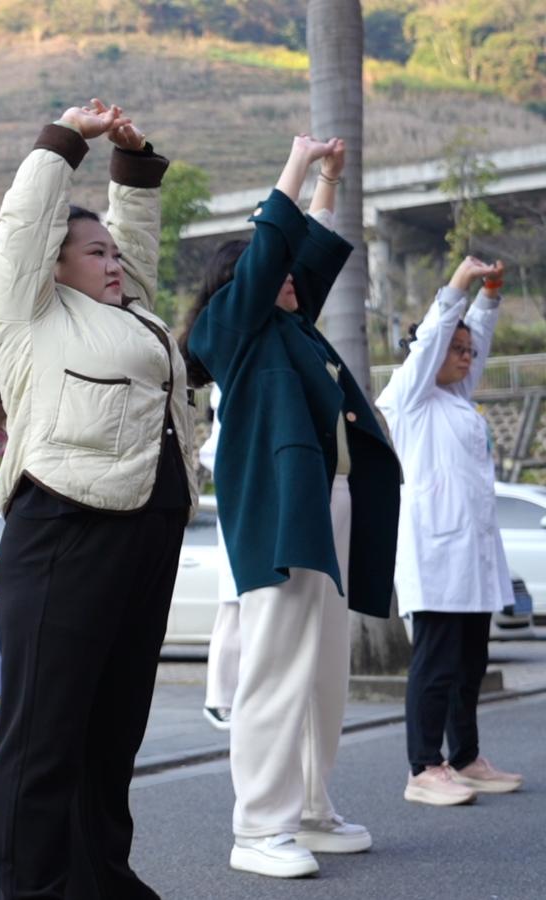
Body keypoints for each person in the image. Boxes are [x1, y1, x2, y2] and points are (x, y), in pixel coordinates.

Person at [0, 99, 196, 898]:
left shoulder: (129, 317)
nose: (113, 263)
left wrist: (132, 165)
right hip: (66, 531)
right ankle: (32, 890)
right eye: (94, 252)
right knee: (46, 740)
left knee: (111, 731)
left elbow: (137, 248)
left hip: (146, 531)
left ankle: (101, 880)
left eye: (112, 253)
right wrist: (67, 142)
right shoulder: (26, 317)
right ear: (53, 265)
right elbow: (26, 224)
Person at [182, 135, 402, 879]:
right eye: (271, 271)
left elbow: (310, 253)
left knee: (322, 669)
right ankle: (258, 827)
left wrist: (330, 185)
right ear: (240, 281)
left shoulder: (294, 329)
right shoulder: (232, 334)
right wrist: (298, 163)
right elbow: (278, 246)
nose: (290, 279)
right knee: (276, 668)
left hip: (325, 506)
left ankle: (309, 808)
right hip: (279, 515)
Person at [376, 256, 524, 806]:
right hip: (435, 557)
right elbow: (438, 337)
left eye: (468, 353)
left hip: (474, 556)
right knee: (435, 666)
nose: (466, 358)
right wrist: (457, 289)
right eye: (455, 351)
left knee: (469, 665)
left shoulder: (458, 401)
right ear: (432, 354)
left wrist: (490, 294)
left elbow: (475, 338)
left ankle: (464, 757)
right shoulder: (408, 398)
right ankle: (423, 767)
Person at [199, 386, 240, 732]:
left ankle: (227, 695)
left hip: (242, 501)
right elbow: (213, 453)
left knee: (238, 607)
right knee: (234, 606)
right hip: (239, 504)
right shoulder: (227, 390)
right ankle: (220, 697)